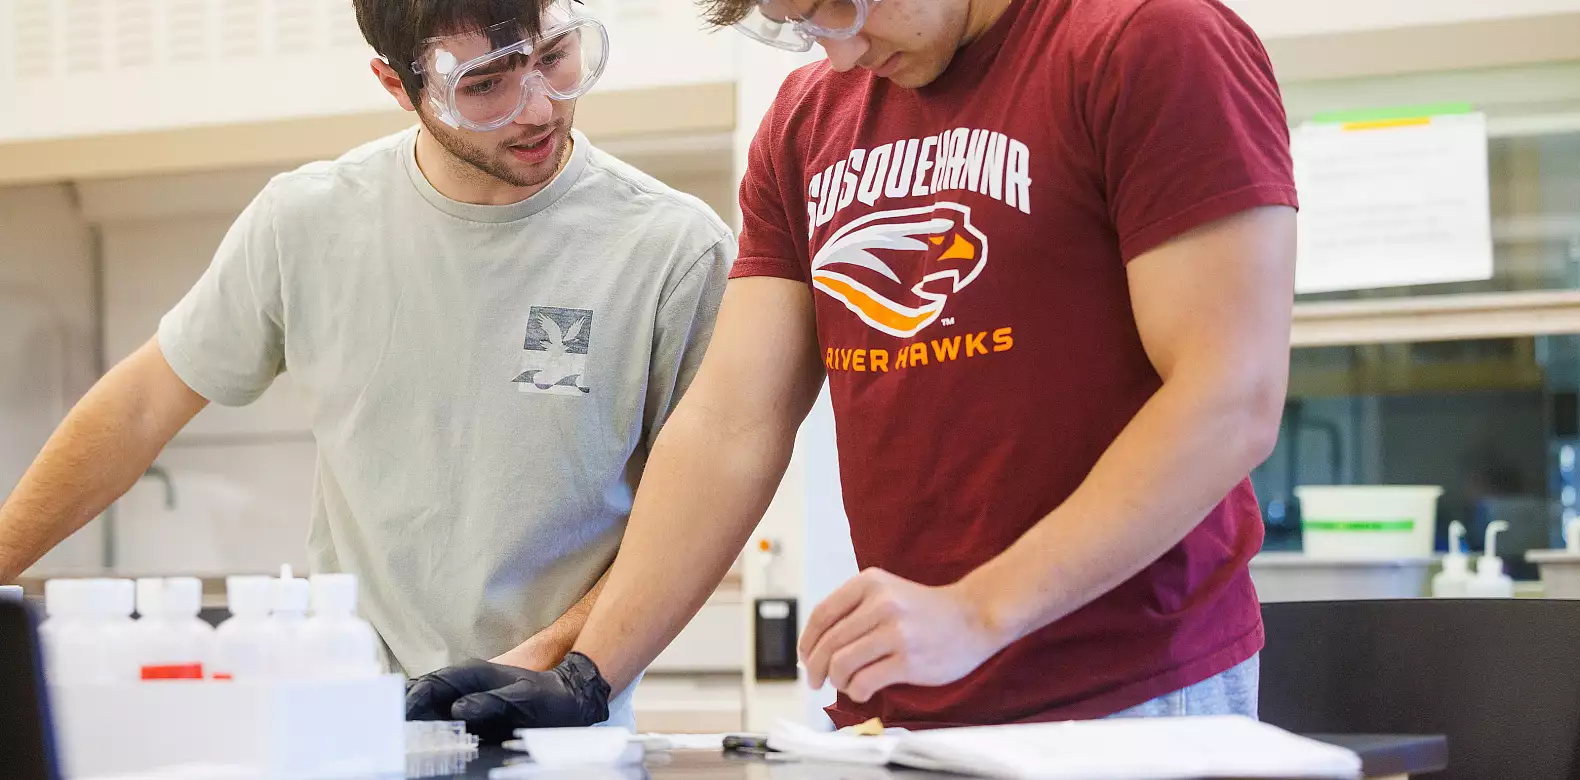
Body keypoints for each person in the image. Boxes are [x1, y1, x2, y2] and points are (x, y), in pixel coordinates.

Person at [405, 0, 1297, 734]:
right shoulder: (808, 120)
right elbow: (730, 425)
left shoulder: (1148, 41)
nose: (838, 50)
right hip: (913, 706)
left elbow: (1228, 397)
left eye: (843, 5)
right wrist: (588, 672)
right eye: (796, 23)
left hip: (1133, 700)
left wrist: (980, 612)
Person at [0, 0, 733, 730]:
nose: (537, 106)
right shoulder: (307, 221)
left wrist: (546, 664)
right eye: (486, 85)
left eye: (555, 57)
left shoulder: (671, 251)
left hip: (558, 739)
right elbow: (138, 408)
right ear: (396, 85)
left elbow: (693, 518)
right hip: (346, 727)